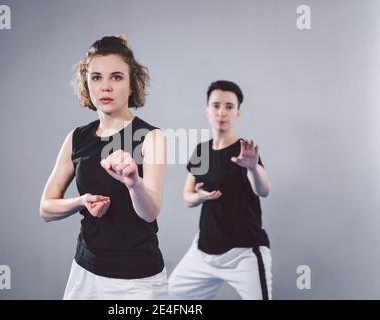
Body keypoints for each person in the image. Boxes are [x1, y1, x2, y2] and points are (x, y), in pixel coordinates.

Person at [39, 35, 168, 299]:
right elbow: (46, 208)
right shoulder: (76, 138)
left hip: (138, 282)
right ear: (87, 84)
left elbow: (150, 212)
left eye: (116, 77)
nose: (105, 87)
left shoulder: (152, 137)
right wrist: (81, 201)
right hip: (85, 273)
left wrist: (134, 181)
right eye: (96, 77)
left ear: (132, 85)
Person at [168, 80, 273, 300]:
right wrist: (199, 197)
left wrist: (253, 167)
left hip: (243, 254)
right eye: (216, 105)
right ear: (207, 110)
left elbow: (263, 190)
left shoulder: (245, 150)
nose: (221, 112)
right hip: (204, 250)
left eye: (229, 106)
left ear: (238, 113)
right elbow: (187, 197)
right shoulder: (202, 151)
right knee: (171, 297)